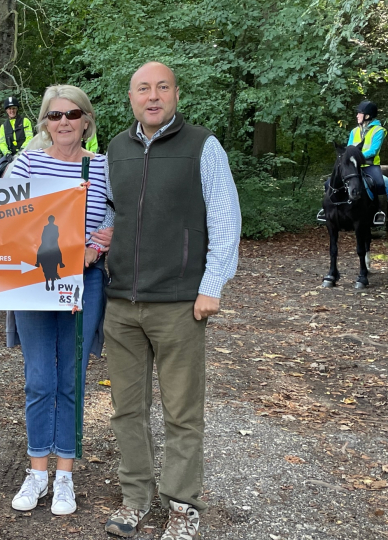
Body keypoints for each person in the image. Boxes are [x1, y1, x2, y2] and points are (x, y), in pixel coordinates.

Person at [101, 62, 240, 540]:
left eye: (162, 87)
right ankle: (136, 498)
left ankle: (182, 505)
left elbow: (225, 218)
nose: (153, 96)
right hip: (120, 303)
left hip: (180, 302)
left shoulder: (203, 146)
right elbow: (107, 213)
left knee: (182, 412)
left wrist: (212, 285)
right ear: (131, 96)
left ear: (176, 94)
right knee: (126, 410)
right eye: (143, 88)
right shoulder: (114, 149)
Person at [6, 85, 109, 516]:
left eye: (71, 114)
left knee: (71, 380)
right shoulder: (26, 161)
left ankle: (64, 474)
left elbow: (122, 213)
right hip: (35, 282)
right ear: (45, 123)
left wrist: (103, 241)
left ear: (86, 120)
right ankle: (37, 472)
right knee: (39, 380)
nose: (63, 122)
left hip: (84, 282)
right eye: (54, 115)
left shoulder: (103, 165)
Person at [349, 100, 388, 224]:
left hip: (369, 165)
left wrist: (356, 156)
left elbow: (373, 150)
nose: (357, 116)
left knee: (380, 184)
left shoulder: (379, 131)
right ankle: (328, 208)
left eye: (359, 113)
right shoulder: (354, 131)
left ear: (367, 116)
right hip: (353, 165)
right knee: (330, 181)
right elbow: (349, 147)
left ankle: (380, 211)